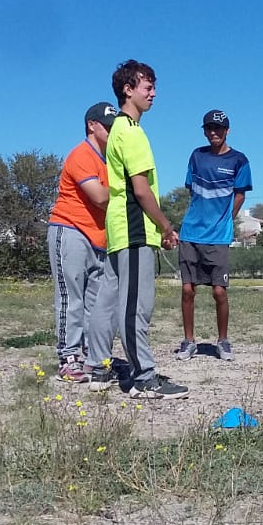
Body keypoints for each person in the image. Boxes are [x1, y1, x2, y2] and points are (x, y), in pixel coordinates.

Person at [84, 60, 188, 399]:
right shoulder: (130, 131)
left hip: (121, 230)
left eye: (154, 85)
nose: (153, 92)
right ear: (128, 90)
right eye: (147, 86)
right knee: (135, 306)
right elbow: (141, 190)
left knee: (109, 301)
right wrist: (166, 226)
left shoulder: (120, 132)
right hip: (133, 230)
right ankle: (144, 378)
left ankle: (97, 367)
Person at [47, 102, 119, 382]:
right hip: (70, 230)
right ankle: (69, 357)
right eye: (108, 127)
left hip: (99, 237)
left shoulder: (110, 160)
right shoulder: (81, 155)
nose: (112, 132)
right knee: (70, 298)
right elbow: (100, 197)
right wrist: (126, 190)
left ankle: (93, 355)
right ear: (92, 125)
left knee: (97, 302)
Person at [175, 109, 253, 362]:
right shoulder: (196, 156)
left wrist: (226, 218)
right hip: (190, 233)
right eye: (209, 128)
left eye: (218, 128)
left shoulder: (239, 160)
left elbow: (240, 194)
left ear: (227, 131)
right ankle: (189, 342)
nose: (213, 132)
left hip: (218, 237)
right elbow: (192, 190)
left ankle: (223, 341)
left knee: (219, 291)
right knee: (188, 289)